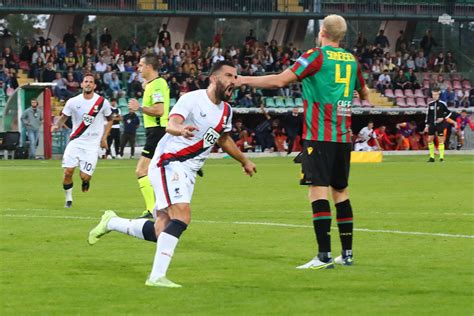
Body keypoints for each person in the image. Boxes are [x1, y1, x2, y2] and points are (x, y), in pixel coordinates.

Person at [88, 61, 257, 288]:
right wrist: (182, 130)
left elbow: (223, 139)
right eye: (229, 76)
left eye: (236, 77)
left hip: (189, 170)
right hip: (170, 161)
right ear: (214, 79)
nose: (233, 81)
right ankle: (156, 277)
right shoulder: (192, 99)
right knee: (183, 215)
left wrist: (244, 160)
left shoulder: (226, 110)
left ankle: (111, 222)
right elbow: (171, 124)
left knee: (162, 230)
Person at [236, 14, 369, 269]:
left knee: (316, 191)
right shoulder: (352, 60)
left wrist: (243, 79)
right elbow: (363, 93)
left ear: (322, 32)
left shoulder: (317, 56)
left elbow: (279, 80)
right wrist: (348, 91)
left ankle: (323, 256)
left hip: (319, 135)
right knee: (341, 191)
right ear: (341, 35)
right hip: (343, 136)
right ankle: (347, 254)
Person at [51, 73, 113, 208]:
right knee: (68, 171)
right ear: (82, 84)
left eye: (91, 82)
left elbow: (110, 120)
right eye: (86, 81)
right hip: (76, 141)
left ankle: (85, 181)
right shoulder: (73, 102)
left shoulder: (102, 102)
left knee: (85, 176)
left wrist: (104, 138)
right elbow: (63, 117)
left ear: (95, 85)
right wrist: (57, 125)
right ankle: (68, 199)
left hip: (92, 145)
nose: (88, 84)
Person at [128, 54, 170, 218]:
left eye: (140, 65)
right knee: (155, 172)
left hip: (158, 132)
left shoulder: (158, 84)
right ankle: (160, 207)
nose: (138, 68)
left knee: (141, 170)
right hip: (155, 131)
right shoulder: (154, 84)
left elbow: (159, 110)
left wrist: (139, 107)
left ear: (149, 67)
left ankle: (151, 209)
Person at [424, 88, 456, 162]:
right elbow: (428, 116)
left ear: (438, 95)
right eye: (433, 94)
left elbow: (449, 113)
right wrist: (426, 125)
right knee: (429, 140)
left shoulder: (442, 104)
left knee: (441, 140)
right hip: (432, 124)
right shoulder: (430, 104)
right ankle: (432, 157)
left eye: (436, 94)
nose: (434, 96)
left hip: (440, 124)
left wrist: (443, 118)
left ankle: (441, 157)